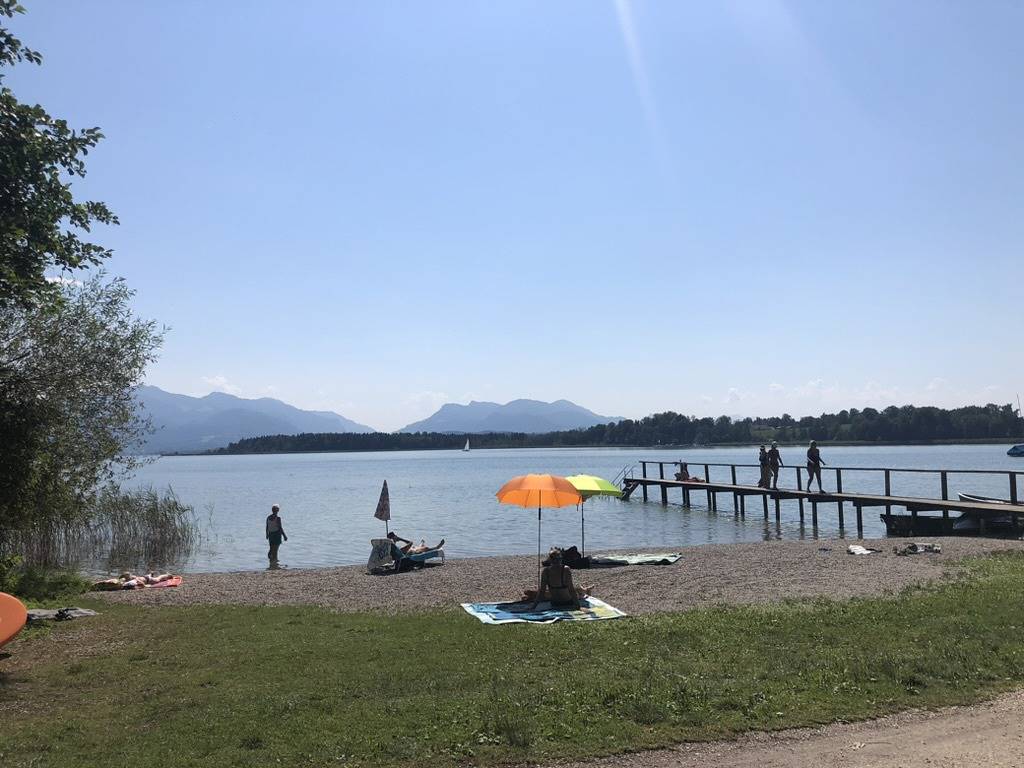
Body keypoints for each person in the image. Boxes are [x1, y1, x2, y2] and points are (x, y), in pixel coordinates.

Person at [524, 549, 589, 609]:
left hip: (556, 603)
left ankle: (585, 591)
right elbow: (571, 590)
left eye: (559, 559)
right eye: (557, 559)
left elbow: (541, 591)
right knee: (577, 591)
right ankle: (586, 591)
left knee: (577, 590)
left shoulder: (546, 571)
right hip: (566, 602)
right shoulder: (565, 569)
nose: (558, 561)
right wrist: (578, 606)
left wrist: (533, 606)